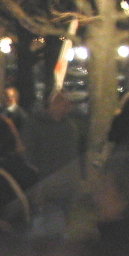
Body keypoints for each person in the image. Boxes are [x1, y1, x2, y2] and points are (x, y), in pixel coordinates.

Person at [22, 89, 83, 235]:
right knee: (46, 226)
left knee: (62, 225)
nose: (67, 107)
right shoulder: (35, 125)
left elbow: (73, 154)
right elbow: (28, 155)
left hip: (67, 185)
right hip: (47, 185)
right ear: (52, 104)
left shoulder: (69, 126)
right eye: (63, 102)